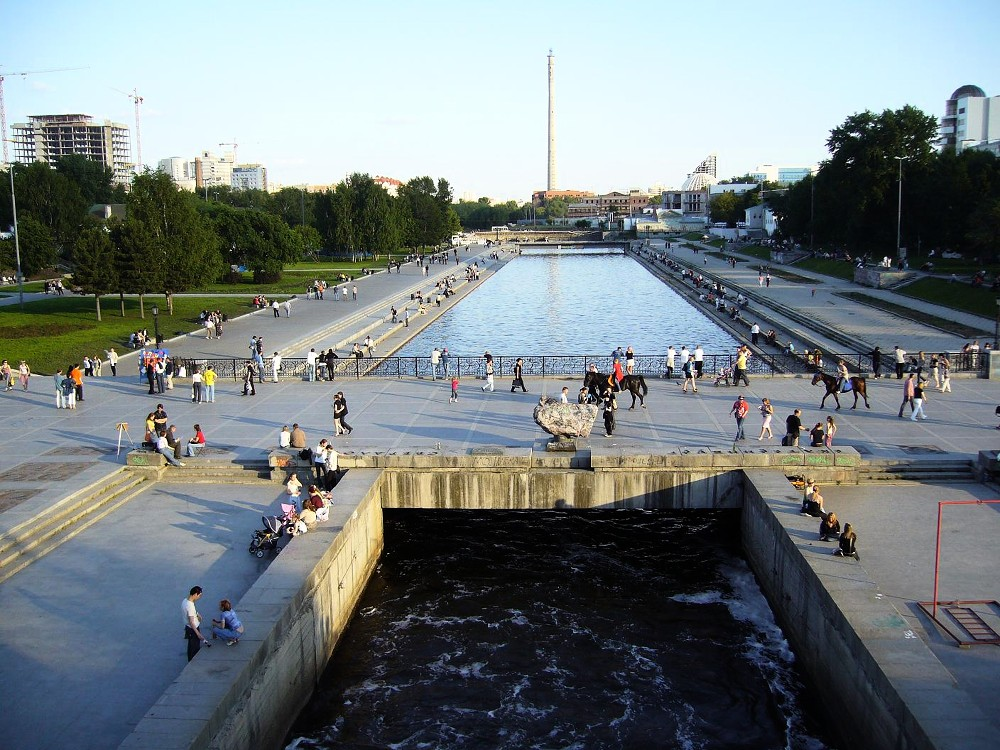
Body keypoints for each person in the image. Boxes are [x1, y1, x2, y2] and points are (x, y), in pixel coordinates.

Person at [182, 586, 210, 661]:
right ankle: (192, 663)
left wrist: (197, 614)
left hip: (189, 628)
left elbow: (191, 612)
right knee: (194, 648)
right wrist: (198, 634)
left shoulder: (185, 601)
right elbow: (191, 621)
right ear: (195, 594)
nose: (200, 597)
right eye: (199, 595)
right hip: (192, 629)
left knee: (191, 646)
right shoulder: (190, 606)